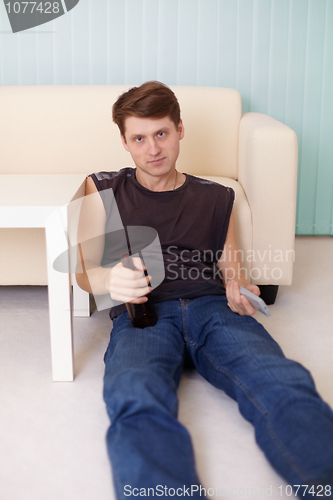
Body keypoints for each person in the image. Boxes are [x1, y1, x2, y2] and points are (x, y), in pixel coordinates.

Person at [76, 81, 333, 499]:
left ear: (180, 129)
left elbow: (231, 264)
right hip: (144, 316)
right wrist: (109, 280)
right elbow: (84, 268)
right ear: (124, 142)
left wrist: (238, 285)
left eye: (161, 133)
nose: (153, 148)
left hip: (211, 308)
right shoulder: (102, 187)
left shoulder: (216, 196)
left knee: (283, 382)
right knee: (135, 395)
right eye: (139, 138)